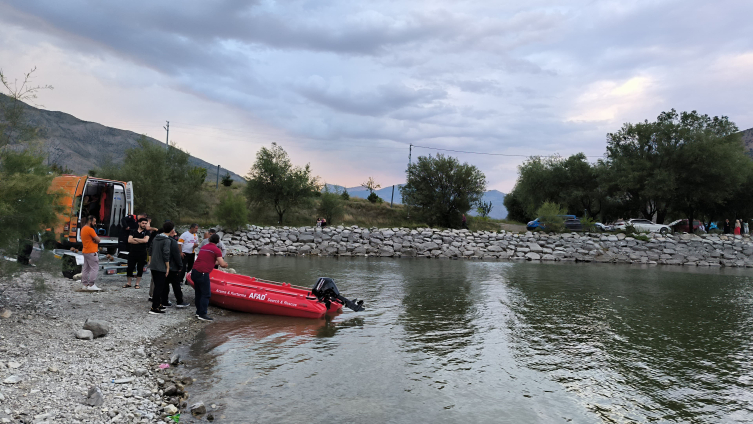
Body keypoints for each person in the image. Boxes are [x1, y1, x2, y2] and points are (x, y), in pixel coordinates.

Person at [191, 233, 228, 321]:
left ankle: (198, 312)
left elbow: (209, 261)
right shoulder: (216, 250)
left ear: (209, 240)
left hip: (195, 271)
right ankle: (203, 314)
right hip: (203, 273)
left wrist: (218, 262)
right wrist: (225, 264)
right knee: (206, 294)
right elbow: (222, 264)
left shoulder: (204, 247)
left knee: (198, 293)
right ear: (218, 241)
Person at [148, 222, 174, 315]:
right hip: (160, 266)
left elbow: (150, 249)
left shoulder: (156, 237)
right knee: (159, 287)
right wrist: (167, 267)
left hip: (153, 265)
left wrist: (150, 261)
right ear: (171, 230)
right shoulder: (167, 240)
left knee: (157, 285)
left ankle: (158, 304)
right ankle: (154, 307)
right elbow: (166, 253)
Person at [163, 225, 190, 308]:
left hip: (163, 265)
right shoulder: (173, 241)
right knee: (176, 285)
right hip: (172, 266)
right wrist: (180, 266)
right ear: (171, 231)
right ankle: (179, 301)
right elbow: (176, 255)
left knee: (165, 284)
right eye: (174, 230)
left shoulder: (161, 239)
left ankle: (164, 301)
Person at [124, 217, 150, 289]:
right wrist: (140, 240)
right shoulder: (133, 231)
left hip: (142, 253)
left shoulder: (147, 232)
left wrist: (135, 239)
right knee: (130, 267)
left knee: (140, 268)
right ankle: (129, 283)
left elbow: (145, 241)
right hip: (132, 252)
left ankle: (137, 283)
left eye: (145, 223)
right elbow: (129, 240)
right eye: (143, 223)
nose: (144, 225)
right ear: (139, 223)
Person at [80, 215, 102, 291]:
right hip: (92, 251)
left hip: (85, 251)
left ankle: (84, 284)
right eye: (94, 221)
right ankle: (91, 284)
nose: (95, 223)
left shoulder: (83, 229)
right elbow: (98, 240)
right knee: (94, 268)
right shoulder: (90, 230)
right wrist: (96, 240)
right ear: (90, 222)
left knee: (85, 268)